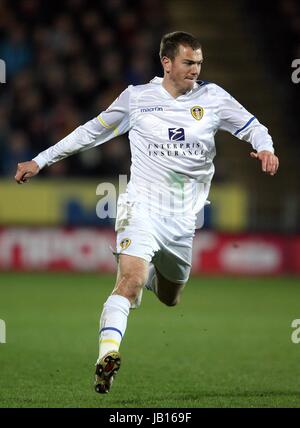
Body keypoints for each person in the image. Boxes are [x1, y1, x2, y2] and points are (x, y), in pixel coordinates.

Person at [15, 31, 279, 394]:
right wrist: (40, 160)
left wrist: (266, 148)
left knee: (171, 297)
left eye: (199, 63)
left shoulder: (213, 98)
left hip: (184, 218)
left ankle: (152, 274)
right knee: (129, 281)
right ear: (166, 62)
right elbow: (90, 132)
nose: (195, 69)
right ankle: (107, 355)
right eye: (188, 63)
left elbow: (253, 127)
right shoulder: (137, 99)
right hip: (141, 206)